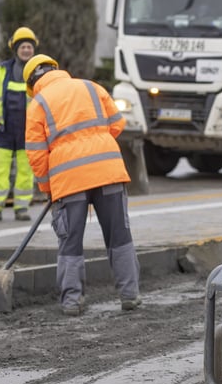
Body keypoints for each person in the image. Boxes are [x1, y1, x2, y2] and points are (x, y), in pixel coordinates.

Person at [23, 54, 140, 316]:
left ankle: (72, 302)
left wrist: (48, 189)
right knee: (119, 235)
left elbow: (36, 153)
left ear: (32, 84)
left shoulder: (38, 104)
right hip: (108, 170)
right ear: (56, 70)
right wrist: (97, 142)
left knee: (70, 242)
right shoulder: (91, 86)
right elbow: (118, 123)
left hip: (68, 178)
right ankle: (130, 295)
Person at [0, 27, 38, 222]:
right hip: (4, 130)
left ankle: (21, 208)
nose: (26, 50)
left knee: (25, 170)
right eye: (23, 47)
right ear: (16, 49)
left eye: (29, 46)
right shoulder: (1, 71)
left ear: (33, 49)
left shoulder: (38, 72)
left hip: (28, 132)